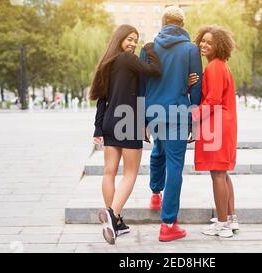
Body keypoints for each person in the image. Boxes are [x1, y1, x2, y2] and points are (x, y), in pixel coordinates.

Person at [90, 24, 162, 245]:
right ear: (120, 39)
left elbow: (101, 99)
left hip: (111, 121)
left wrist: (98, 127)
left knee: (109, 171)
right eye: (130, 39)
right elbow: (155, 70)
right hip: (128, 119)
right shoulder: (128, 59)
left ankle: (116, 221)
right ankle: (112, 214)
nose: (133, 43)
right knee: (130, 173)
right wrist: (150, 48)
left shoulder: (107, 62)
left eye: (136, 40)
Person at [139, 6, 203, 242]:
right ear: (182, 24)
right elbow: (196, 85)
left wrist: (141, 120)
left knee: (159, 149)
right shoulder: (190, 49)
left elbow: (141, 85)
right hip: (178, 111)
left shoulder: (147, 48)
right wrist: (194, 120)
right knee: (175, 165)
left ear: (163, 22)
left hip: (153, 111)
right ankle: (168, 224)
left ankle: (155, 193)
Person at [191, 25, 239, 238]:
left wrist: (191, 117)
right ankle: (230, 218)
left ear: (219, 46)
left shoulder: (215, 67)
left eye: (209, 42)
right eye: (203, 40)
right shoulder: (219, 66)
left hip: (217, 124)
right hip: (224, 123)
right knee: (223, 173)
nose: (204, 44)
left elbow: (213, 100)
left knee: (218, 174)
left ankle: (222, 225)